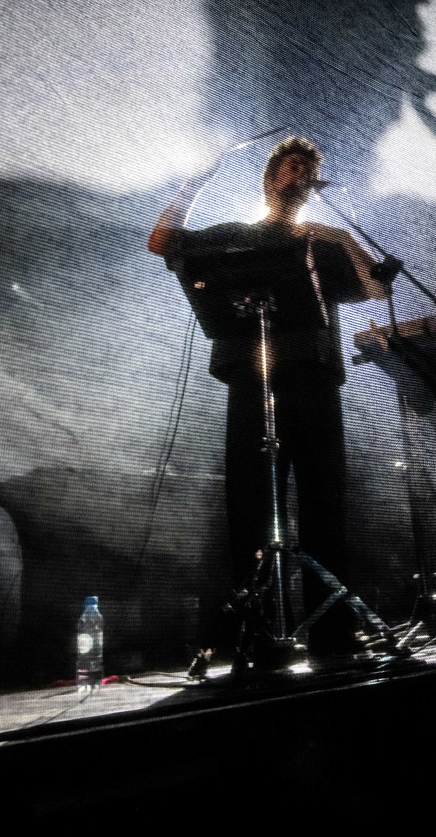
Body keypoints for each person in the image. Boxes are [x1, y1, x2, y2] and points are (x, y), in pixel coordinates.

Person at [148, 136, 393, 654]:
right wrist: (196, 179)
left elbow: (377, 289)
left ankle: (333, 632)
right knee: (251, 502)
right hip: (251, 377)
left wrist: (343, 235)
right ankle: (255, 634)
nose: (299, 174)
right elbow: (161, 241)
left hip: (314, 376)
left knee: (324, 498)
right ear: (269, 177)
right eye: (291, 165)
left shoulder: (325, 241)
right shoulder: (236, 234)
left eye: (308, 168)